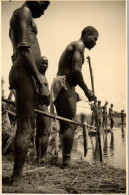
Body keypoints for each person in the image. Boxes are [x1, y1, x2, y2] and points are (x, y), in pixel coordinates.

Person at [9, 1, 50, 184]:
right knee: (26, 127)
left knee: (27, 126)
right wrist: (40, 80)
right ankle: (17, 179)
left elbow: (17, 51)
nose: (43, 9)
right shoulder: (24, 12)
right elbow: (24, 50)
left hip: (24, 71)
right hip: (25, 72)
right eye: (43, 3)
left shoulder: (19, 15)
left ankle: (18, 175)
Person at [52, 26, 99, 167]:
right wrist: (86, 90)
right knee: (70, 123)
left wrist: (76, 90)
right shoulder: (79, 45)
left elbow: (71, 72)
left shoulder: (75, 46)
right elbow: (76, 71)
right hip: (64, 85)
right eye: (94, 38)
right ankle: (66, 160)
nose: (95, 43)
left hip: (62, 84)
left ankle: (64, 158)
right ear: (86, 34)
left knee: (65, 123)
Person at [36, 56, 51, 162]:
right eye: (43, 63)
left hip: (44, 106)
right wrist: (42, 96)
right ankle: (43, 157)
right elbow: (34, 89)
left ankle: (39, 157)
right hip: (41, 106)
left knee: (41, 132)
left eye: (46, 63)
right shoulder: (37, 76)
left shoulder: (43, 76)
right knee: (46, 131)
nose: (45, 65)